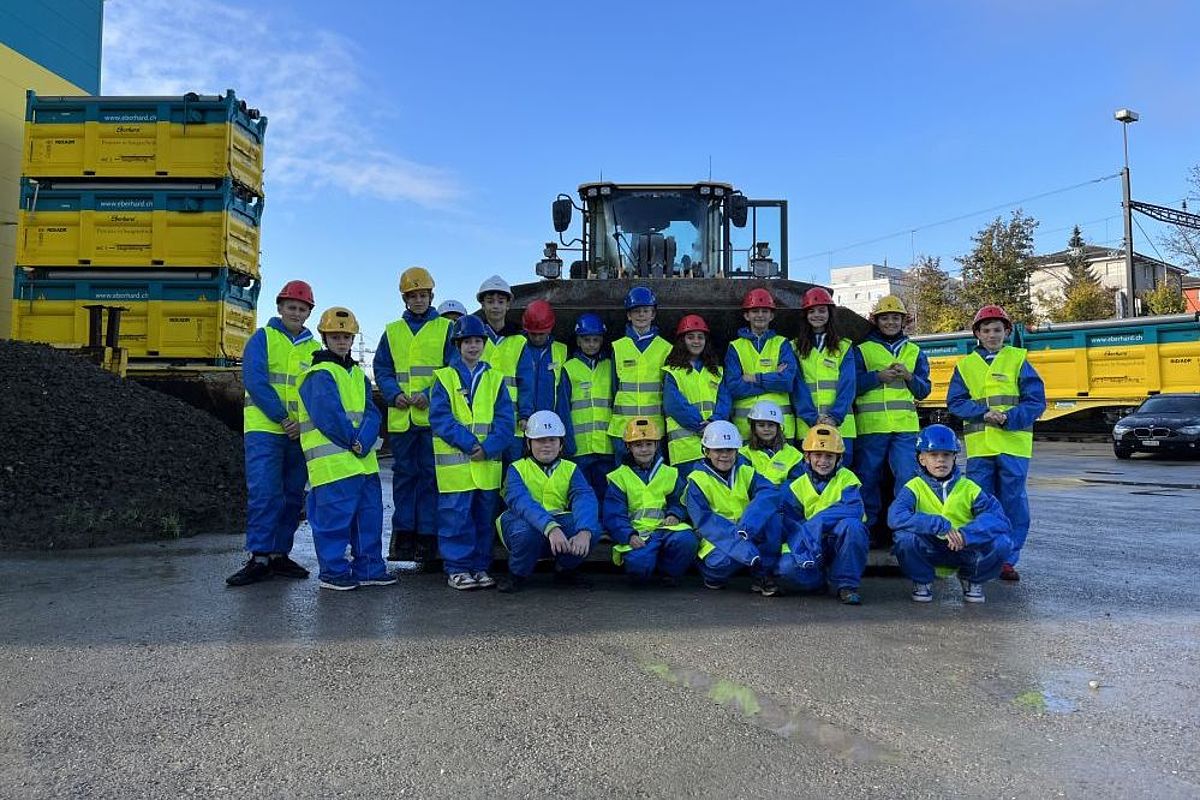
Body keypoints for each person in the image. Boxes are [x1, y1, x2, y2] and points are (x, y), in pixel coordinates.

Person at [227, 279, 321, 587]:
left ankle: (280, 554)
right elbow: (255, 381)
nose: (296, 313)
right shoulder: (262, 338)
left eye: (302, 309)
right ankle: (260, 557)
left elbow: (318, 389)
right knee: (265, 493)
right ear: (279, 308)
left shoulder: (314, 348)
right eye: (291, 307)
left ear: (309, 313)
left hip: (299, 434)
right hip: (266, 430)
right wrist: (283, 418)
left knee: (293, 495)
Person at [295, 307, 394, 591]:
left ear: (352, 339)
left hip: (362, 463)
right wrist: (354, 440)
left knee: (369, 518)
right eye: (336, 336)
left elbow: (372, 412)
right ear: (325, 338)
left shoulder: (357, 375)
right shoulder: (319, 373)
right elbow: (328, 415)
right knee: (333, 521)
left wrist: (362, 439)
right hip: (334, 464)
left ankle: (369, 567)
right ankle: (333, 572)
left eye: (346, 337)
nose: (342, 341)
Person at [947, 304, 1046, 582]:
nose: (992, 335)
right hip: (980, 449)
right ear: (977, 333)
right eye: (986, 330)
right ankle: (979, 554)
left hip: (1013, 445)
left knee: (1012, 503)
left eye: (997, 330)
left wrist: (1009, 418)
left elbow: (1036, 401)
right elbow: (955, 402)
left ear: (1006, 332)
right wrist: (982, 413)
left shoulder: (1018, 359)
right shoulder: (965, 366)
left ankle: (1006, 559)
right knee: (979, 503)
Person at [373, 266, 453, 570]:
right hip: (402, 418)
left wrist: (429, 395)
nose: (418, 300)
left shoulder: (446, 329)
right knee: (405, 477)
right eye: (412, 296)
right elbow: (382, 369)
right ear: (404, 298)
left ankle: (428, 538)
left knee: (431, 477)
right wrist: (393, 394)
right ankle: (404, 535)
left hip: (432, 418)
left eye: (423, 295)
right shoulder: (392, 331)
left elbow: (452, 368)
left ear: (431, 296)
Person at [429, 314, 515, 590]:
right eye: (467, 341)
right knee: (456, 519)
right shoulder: (444, 378)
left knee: (483, 520)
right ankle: (457, 568)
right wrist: (471, 445)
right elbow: (440, 419)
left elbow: (506, 421)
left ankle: (479, 567)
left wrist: (488, 448)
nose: (473, 346)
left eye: (478, 341)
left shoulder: (495, 379)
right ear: (458, 344)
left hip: (487, 466)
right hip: (457, 468)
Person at [890, 424, 1013, 604]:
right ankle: (922, 581)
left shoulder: (969, 487)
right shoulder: (913, 487)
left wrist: (966, 535)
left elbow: (999, 519)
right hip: (930, 548)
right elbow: (895, 517)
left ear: (955, 457)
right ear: (921, 459)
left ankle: (972, 579)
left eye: (946, 455)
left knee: (1002, 543)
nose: (941, 460)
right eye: (934, 455)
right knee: (904, 538)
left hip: (965, 548)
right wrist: (939, 525)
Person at [497, 410, 600, 593]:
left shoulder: (571, 469)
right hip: (521, 522)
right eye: (540, 440)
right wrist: (550, 527)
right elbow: (522, 503)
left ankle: (565, 571)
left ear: (561, 444)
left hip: (558, 524)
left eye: (552, 440)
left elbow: (585, 498)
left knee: (591, 529)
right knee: (527, 532)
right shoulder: (516, 469)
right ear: (529, 443)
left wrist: (585, 531)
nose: (546, 445)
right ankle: (517, 575)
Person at [852, 294, 931, 532]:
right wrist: (877, 378)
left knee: (907, 477)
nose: (890, 322)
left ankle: (902, 528)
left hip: (905, 428)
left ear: (903, 320)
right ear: (876, 320)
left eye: (895, 318)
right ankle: (870, 529)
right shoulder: (862, 350)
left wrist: (909, 377)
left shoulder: (914, 351)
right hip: (871, 426)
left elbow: (924, 390)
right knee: (867, 479)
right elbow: (851, 384)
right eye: (885, 318)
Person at [685, 420, 782, 595]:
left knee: (772, 517)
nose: (724, 455)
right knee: (721, 564)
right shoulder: (697, 480)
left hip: (746, 532)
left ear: (737, 451)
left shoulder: (744, 471)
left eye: (729, 450)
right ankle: (712, 576)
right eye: (718, 450)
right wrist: (743, 546)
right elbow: (706, 523)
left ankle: (761, 575)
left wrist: (748, 526)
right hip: (717, 540)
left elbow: (769, 493)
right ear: (706, 451)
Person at [779, 424, 869, 604]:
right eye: (817, 455)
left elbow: (855, 510)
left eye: (829, 456)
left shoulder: (847, 478)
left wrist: (818, 521)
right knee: (785, 569)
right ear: (807, 457)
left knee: (852, 526)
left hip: (839, 541)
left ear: (839, 458)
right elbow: (790, 526)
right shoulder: (796, 485)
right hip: (811, 542)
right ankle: (819, 580)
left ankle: (847, 586)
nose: (823, 461)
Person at [604, 417, 697, 585]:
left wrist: (675, 514)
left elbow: (681, 500)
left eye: (649, 444)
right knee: (639, 568)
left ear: (656, 445)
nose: (644, 449)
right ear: (628, 447)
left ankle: (668, 573)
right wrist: (628, 535)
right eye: (638, 445)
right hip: (637, 534)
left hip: (665, 529)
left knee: (686, 540)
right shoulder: (619, 477)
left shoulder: (670, 473)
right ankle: (649, 562)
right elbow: (614, 515)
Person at [792, 287, 858, 467]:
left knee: (841, 478)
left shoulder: (844, 346)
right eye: (811, 311)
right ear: (805, 316)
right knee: (809, 478)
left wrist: (834, 417)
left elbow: (848, 385)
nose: (817, 315)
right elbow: (798, 386)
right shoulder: (795, 347)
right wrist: (813, 417)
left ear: (830, 313)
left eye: (822, 310)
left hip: (841, 425)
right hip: (808, 425)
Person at [607, 286, 672, 463]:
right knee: (623, 480)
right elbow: (613, 388)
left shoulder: (665, 348)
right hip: (622, 429)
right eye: (636, 311)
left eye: (645, 311)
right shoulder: (618, 347)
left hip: (654, 430)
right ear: (629, 315)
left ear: (653, 314)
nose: (641, 315)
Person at [726, 287, 798, 443]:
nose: (760, 315)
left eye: (765, 311)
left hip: (780, 428)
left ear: (771, 316)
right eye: (755, 311)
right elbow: (733, 386)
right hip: (746, 429)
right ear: (746, 315)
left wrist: (753, 377)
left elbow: (786, 382)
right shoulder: (735, 347)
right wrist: (773, 379)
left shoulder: (782, 344)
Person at [662, 313, 730, 475]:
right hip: (684, 449)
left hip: (714, 447)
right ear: (682, 341)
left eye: (700, 337)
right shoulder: (672, 372)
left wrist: (713, 423)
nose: (696, 341)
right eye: (690, 337)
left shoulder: (717, 372)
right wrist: (701, 426)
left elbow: (724, 401)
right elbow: (674, 405)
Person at [562, 313, 614, 505]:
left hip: (606, 444)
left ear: (602, 340)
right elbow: (564, 408)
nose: (591, 344)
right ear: (578, 340)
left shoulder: (610, 366)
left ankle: (605, 532)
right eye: (586, 340)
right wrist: (567, 442)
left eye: (596, 340)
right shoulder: (569, 368)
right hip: (580, 447)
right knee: (582, 494)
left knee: (606, 493)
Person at [476, 275, 525, 463]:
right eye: (490, 302)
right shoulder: (474, 338)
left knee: (511, 473)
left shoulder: (520, 341)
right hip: (482, 421)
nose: (495, 306)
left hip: (513, 423)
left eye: (500, 301)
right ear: (483, 305)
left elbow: (525, 382)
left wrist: (525, 414)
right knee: (486, 475)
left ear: (508, 305)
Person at [515, 299, 572, 458]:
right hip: (521, 425)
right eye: (533, 334)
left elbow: (563, 395)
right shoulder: (517, 347)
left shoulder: (561, 351)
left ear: (550, 329)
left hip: (550, 426)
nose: (537, 338)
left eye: (542, 334)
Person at [740, 400, 804, 486]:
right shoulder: (743, 454)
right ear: (753, 427)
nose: (766, 429)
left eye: (771, 425)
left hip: (783, 498)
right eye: (761, 425)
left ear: (778, 427)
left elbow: (795, 485)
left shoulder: (794, 455)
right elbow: (745, 483)